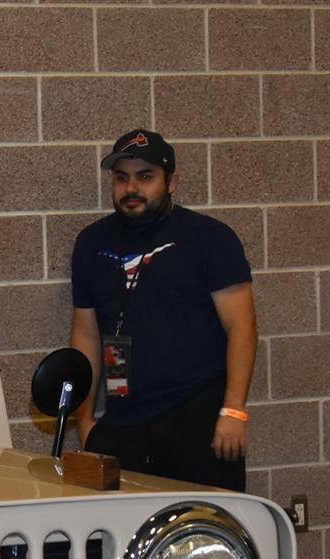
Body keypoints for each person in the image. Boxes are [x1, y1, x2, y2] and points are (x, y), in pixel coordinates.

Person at [68, 129, 257, 491]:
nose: (131, 188)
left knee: (203, 531)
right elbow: (86, 335)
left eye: (145, 177)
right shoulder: (91, 243)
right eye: (121, 178)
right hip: (124, 420)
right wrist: (86, 422)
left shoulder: (211, 239)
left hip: (197, 417)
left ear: (172, 182)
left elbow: (242, 327)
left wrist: (234, 411)